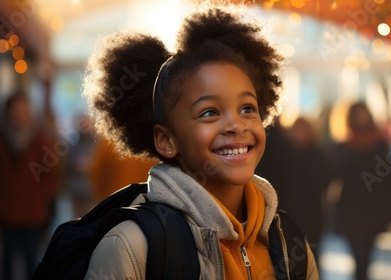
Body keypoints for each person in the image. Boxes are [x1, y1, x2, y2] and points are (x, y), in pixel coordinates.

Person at [81, 7, 319, 279]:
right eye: (210, 112)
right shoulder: (132, 246)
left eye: (247, 108)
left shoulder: (289, 243)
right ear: (166, 140)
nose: (236, 125)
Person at [0, 91, 61, 280]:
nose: (20, 115)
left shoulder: (41, 140)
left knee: (31, 261)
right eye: (16, 111)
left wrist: (41, 200)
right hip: (6, 211)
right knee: (7, 261)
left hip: (32, 213)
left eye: (24, 111)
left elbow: (51, 177)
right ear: (8, 113)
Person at [328, 101, 391, 280]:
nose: (362, 117)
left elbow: (389, 177)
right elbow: (334, 174)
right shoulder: (342, 145)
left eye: (364, 113)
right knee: (358, 254)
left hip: (374, 208)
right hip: (350, 209)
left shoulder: (379, 142)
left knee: (366, 254)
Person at [257, 117, 332, 264]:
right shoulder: (287, 152)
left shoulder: (317, 154)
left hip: (313, 214)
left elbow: (326, 180)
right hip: (293, 211)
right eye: (296, 130)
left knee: (312, 255)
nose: (299, 134)